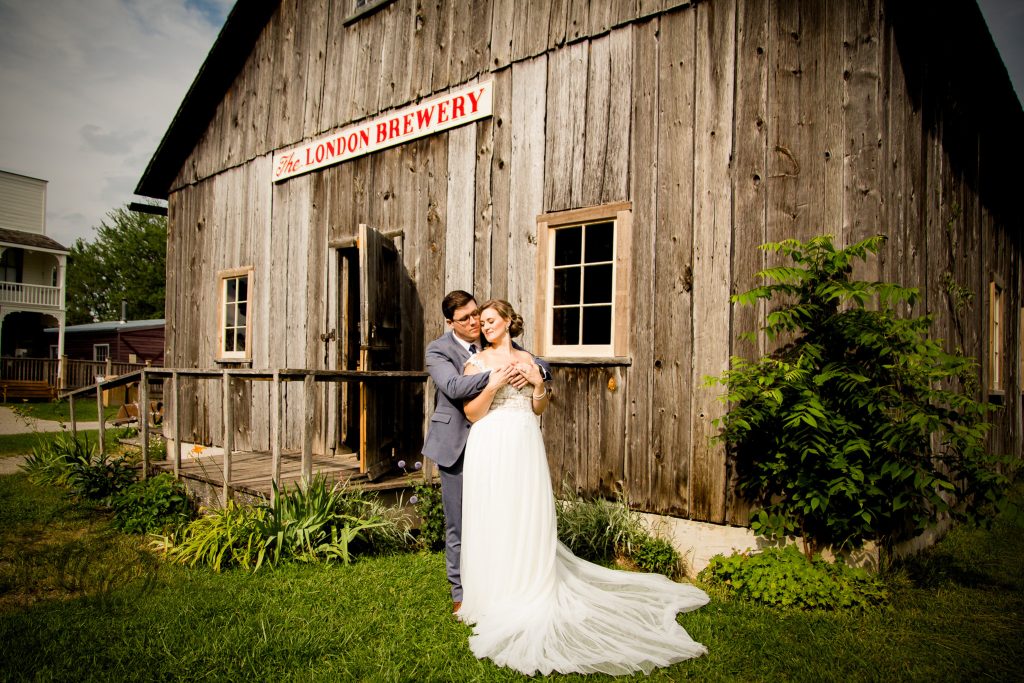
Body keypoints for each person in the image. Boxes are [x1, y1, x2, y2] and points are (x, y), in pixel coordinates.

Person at [458, 299, 709, 676]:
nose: (485, 326)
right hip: (489, 445)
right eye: (483, 323)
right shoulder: (474, 364)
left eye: (492, 321)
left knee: (524, 516)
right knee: (492, 517)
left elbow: (539, 408)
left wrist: (538, 384)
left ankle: (526, 586)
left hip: (524, 444)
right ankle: (493, 594)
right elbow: (472, 414)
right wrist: (492, 384)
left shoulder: (530, 361)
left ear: (509, 322)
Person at [421, 290, 550, 615]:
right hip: (455, 442)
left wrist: (538, 374)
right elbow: (451, 387)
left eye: (476, 313)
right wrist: (494, 377)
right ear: (451, 323)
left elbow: (537, 362)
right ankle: (460, 593)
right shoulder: (439, 350)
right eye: (465, 318)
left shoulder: (493, 339)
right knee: (459, 523)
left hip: (499, 446)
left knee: (501, 515)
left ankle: (503, 583)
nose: (475, 321)